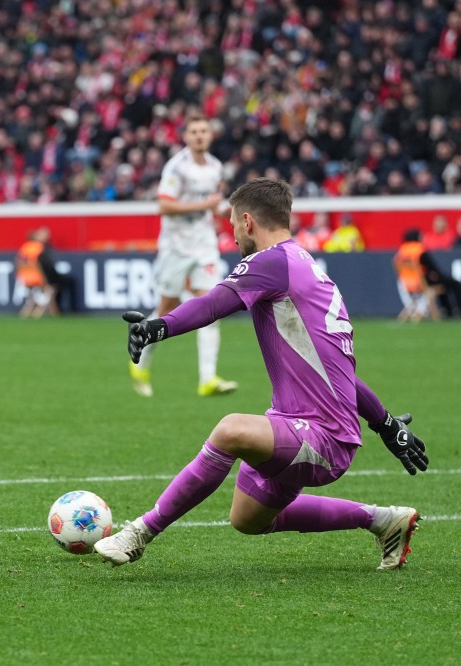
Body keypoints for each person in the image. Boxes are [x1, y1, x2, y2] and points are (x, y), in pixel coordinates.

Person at [94, 178, 428, 571]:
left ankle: (138, 534)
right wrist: (386, 424)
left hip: (322, 438)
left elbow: (215, 302)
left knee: (231, 430)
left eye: (233, 225)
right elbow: (339, 371)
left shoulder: (271, 262)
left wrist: (157, 327)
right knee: (247, 518)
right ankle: (383, 520)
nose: (233, 236)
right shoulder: (306, 270)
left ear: (248, 222)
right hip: (300, 425)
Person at [130, 112, 237, 398]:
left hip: (203, 244)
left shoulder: (215, 167)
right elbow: (164, 206)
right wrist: (205, 204)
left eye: (204, 131)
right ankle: (141, 351)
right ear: (186, 137)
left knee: (212, 307)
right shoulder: (176, 168)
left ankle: (208, 378)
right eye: (194, 132)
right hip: (175, 246)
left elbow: (212, 206)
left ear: (210, 135)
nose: (200, 136)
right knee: (166, 307)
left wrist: (229, 210)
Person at [393, 229, 439, 322]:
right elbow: (431, 266)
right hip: (418, 283)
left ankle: (411, 309)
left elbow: (395, 263)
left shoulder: (402, 249)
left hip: (403, 284)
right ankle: (419, 312)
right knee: (432, 290)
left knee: (412, 301)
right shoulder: (420, 248)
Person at [15, 227, 58, 318]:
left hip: (24, 277)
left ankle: (26, 313)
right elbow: (38, 265)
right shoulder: (39, 247)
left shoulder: (25, 246)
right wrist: (44, 279)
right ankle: (38, 313)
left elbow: (18, 262)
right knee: (49, 290)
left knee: (33, 297)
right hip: (35, 278)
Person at [36, 227, 77, 314]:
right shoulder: (39, 248)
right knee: (66, 282)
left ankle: (60, 308)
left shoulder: (41, 248)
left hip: (42, 277)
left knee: (61, 284)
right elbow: (46, 266)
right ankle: (72, 308)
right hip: (44, 278)